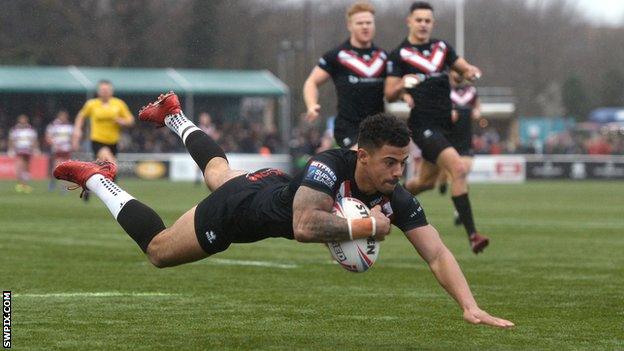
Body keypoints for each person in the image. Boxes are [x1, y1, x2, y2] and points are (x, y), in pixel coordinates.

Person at [54, 92, 513, 329]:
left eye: (404, 162)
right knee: (158, 249)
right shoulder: (330, 165)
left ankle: (174, 115)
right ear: (363, 155)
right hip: (240, 213)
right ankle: (98, 178)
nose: (399, 171)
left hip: (267, 187)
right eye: (390, 162)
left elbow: (436, 254)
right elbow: (304, 223)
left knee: (218, 170)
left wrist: (470, 307)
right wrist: (366, 224)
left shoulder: (395, 194)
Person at [384, 1, 488, 254]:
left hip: (445, 127)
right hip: (423, 126)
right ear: (409, 21)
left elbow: (464, 68)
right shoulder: (399, 54)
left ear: (432, 23)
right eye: (418, 19)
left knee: (425, 183)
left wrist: (472, 72)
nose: (423, 24)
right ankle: (473, 235)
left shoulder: (442, 48)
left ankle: (383, 202)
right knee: (459, 169)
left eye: (427, 20)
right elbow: (389, 93)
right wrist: (402, 86)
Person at [303, 2, 386, 149]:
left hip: (378, 127)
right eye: (360, 23)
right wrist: (311, 105)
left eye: (369, 22)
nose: (365, 26)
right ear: (350, 25)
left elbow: (395, 86)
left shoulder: (383, 57)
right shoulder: (337, 56)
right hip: (349, 127)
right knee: (362, 157)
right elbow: (311, 82)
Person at [72, 79, 134, 200]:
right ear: (98, 91)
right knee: (112, 164)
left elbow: (130, 120)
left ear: (111, 91)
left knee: (99, 170)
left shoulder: (118, 104)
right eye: (102, 90)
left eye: (107, 90)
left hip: (113, 142)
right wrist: (77, 130)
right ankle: (114, 194)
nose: (105, 92)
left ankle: (87, 186)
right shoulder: (92, 104)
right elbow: (81, 116)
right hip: (98, 140)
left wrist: (123, 121)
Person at [438, 71, 481, 226]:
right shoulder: (444, 91)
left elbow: (478, 108)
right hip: (448, 140)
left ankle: (459, 212)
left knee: (461, 173)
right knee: (447, 173)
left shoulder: (472, 92)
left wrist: (477, 112)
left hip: (466, 142)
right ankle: (441, 181)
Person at [8, 114, 39, 193]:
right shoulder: (15, 130)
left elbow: (34, 140)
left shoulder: (30, 130)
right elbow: (11, 140)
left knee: (26, 167)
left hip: (28, 150)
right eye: (22, 119)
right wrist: (10, 149)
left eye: (24, 119)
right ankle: (19, 183)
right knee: (19, 166)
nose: (23, 121)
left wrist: (36, 149)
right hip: (19, 150)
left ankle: (25, 184)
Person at [45, 110, 74, 192]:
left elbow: (73, 137)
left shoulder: (70, 126)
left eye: (65, 116)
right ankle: (52, 181)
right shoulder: (53, 126)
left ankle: (64, 187)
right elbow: (48, 137)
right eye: (62, 116)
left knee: (67, 168)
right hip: (57, 150)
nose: (63, 118)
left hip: (67, 149)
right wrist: (54, 144)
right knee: (56, 167)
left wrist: (73, 145)